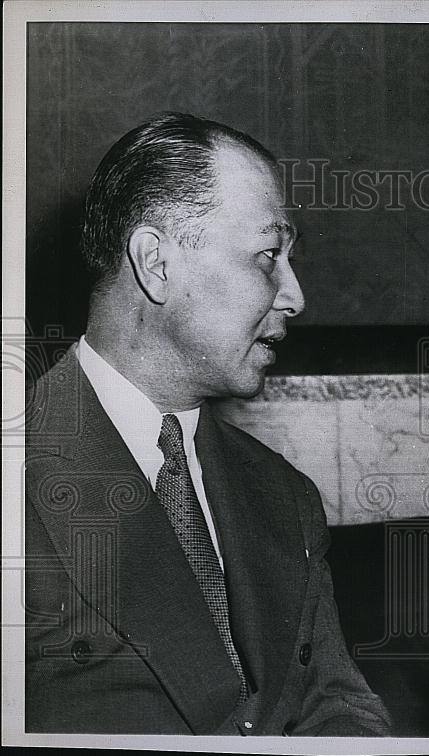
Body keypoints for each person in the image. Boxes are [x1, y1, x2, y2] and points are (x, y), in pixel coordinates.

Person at [24, 113, 391, 736]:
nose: (295, 296)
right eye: (268, 256)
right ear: (155, 263)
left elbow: (338, 708)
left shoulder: (285, 495)